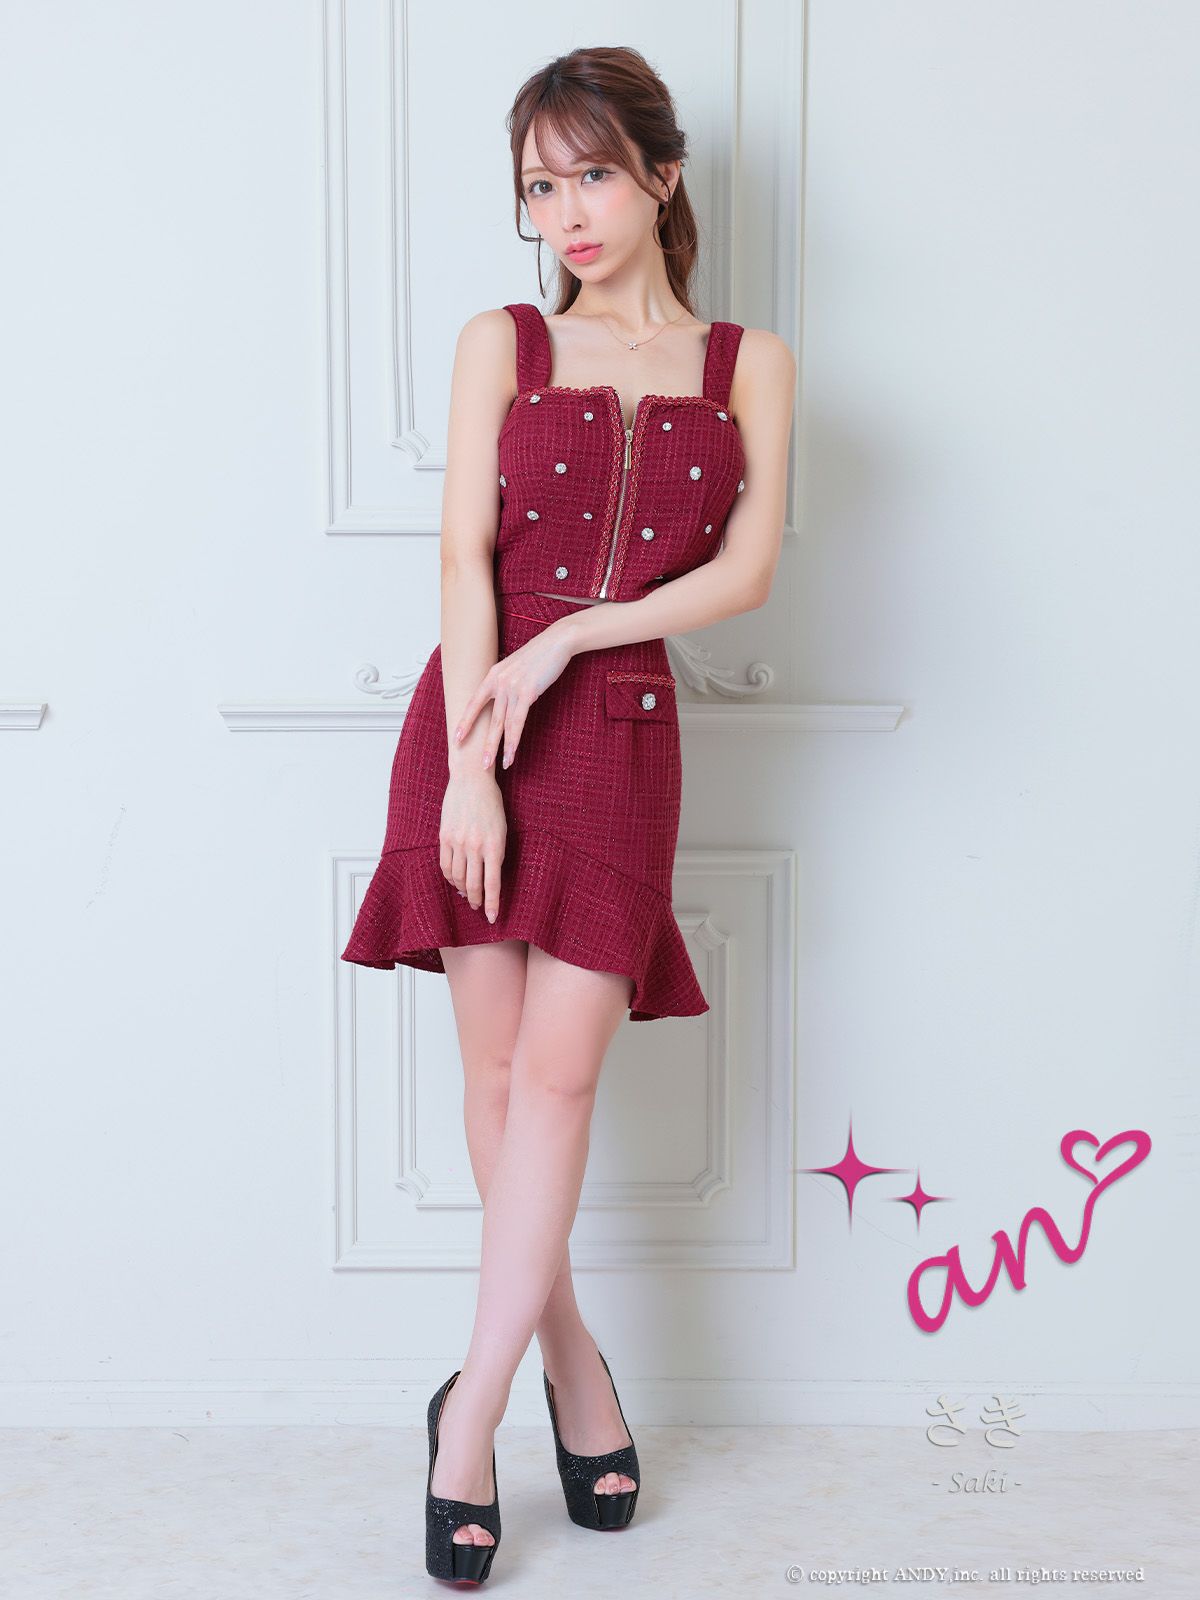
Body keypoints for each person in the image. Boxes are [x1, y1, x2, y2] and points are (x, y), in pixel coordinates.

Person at [341, 44, 795, 1585]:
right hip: (474, 725)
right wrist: (472, 759)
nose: (568, 214)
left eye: (592, 173)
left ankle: (467, 1415)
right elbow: (462, 555)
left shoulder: (746, 364)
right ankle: (572, 1365)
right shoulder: (505, 342)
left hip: (617, 730)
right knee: (495, 1076)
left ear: (662, 174)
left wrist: (575, 640)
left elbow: (744, 573)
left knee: (559, 1077)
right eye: (540, 187)